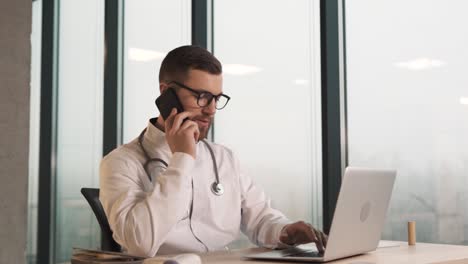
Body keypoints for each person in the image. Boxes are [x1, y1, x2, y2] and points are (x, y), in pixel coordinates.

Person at [99, 45, 327, 257]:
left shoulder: (223, 158)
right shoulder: (120, 163)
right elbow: (141, 244)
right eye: (202, 97)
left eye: (216, 98)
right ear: (166, 93)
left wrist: (285, 231)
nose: (211, 110)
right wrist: (182, 158)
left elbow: (260, 218)